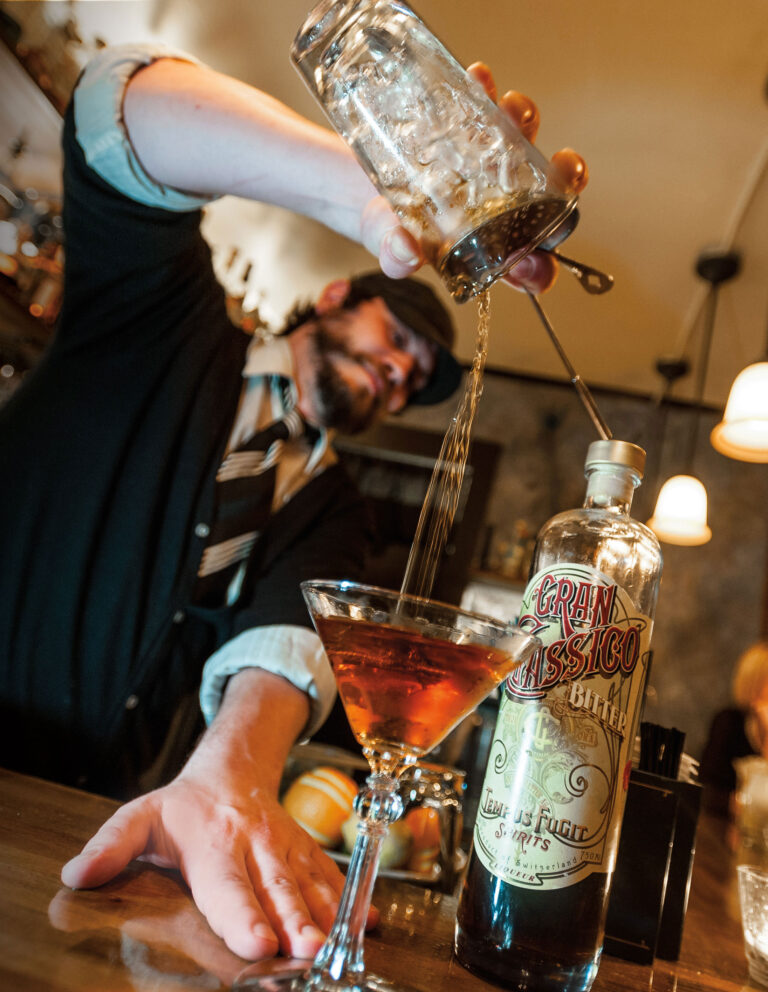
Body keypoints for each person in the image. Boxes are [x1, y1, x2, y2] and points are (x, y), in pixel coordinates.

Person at [0, 44, 588, 960]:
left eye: (412, 381)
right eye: (396, 337)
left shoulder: (330, 509)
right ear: (331, 298)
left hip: (84, 828)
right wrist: (365, 189)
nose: (398, 371)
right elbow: (115, 114)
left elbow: (284, 645)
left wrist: (231, 775)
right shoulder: (160, 321)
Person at [700, 641, 768, 818]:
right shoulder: (729, 723)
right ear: (754, 684)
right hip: (721, 827)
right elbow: (707, 789)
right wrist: (738, 804)